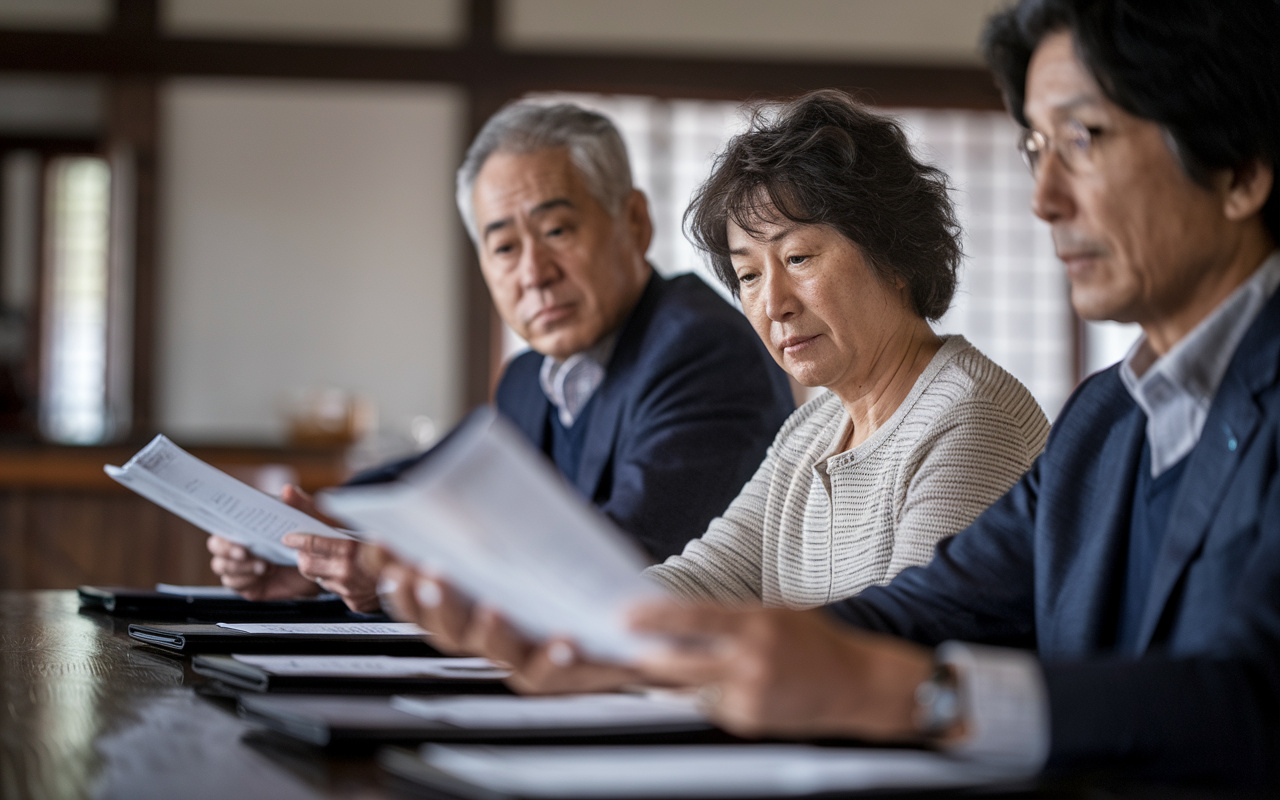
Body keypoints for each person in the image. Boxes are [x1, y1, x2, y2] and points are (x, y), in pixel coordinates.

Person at [620, 0, 1280, 787]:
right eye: (1038, 147)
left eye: (1084, 138)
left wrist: (913, 693)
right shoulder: (1104, 421)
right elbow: (925, 609)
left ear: (1238, 168)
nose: (1045, 197)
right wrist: (611, 636)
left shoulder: (974, 415)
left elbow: (1253, 700)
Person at [380, 91, 1050, 692]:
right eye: (748, 276)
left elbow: (902, 643)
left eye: (797, 259)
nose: (773, 304)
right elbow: (704, 574)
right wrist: (574, 630)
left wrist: (646, 651)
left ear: (894, 255)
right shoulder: (811, 431)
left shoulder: (968, 418)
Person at [207, 102, 796, 610]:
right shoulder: (526, 377)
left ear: (634, 223)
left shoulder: (701, 349)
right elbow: (426, 480)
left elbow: (626, 561)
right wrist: (311, 545)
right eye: (505, 247)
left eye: (558, 231)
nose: (533, 274)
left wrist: (391, 576)